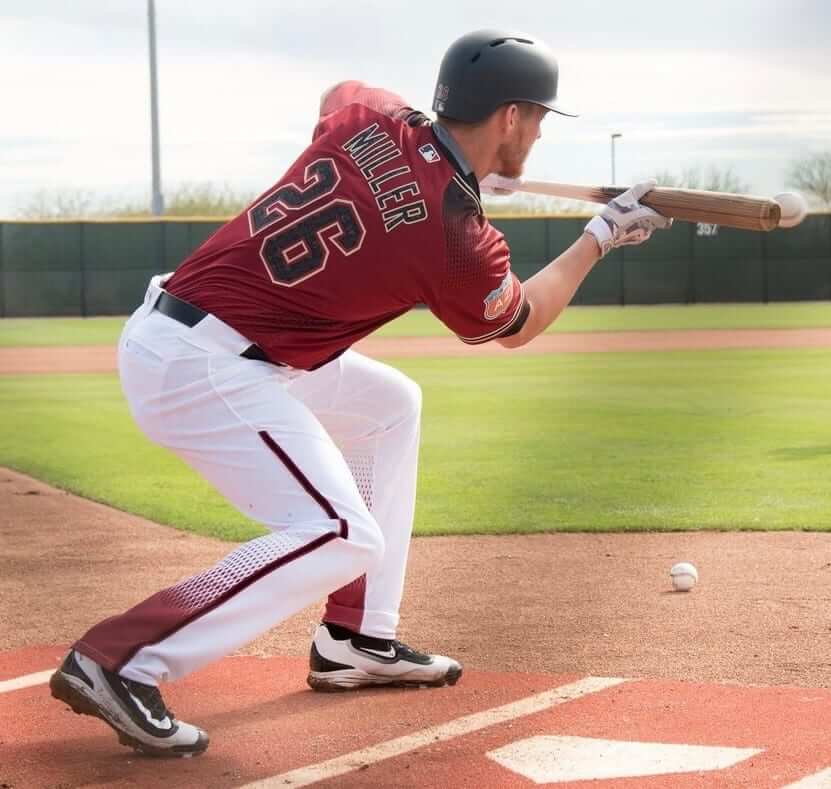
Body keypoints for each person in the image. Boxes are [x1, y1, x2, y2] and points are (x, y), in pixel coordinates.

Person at [49, 29, 671, 758]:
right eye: (534, 116)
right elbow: (517, 322)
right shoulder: (454, 235)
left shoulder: (373, 118)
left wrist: (453, 163)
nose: (536, 130)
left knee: (389, 406)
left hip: (211, 334)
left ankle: (355, 635)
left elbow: (338, 93)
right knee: (340, 531)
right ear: (506, 116)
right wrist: (599, 234)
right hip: (203, 366)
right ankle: (121, 658)